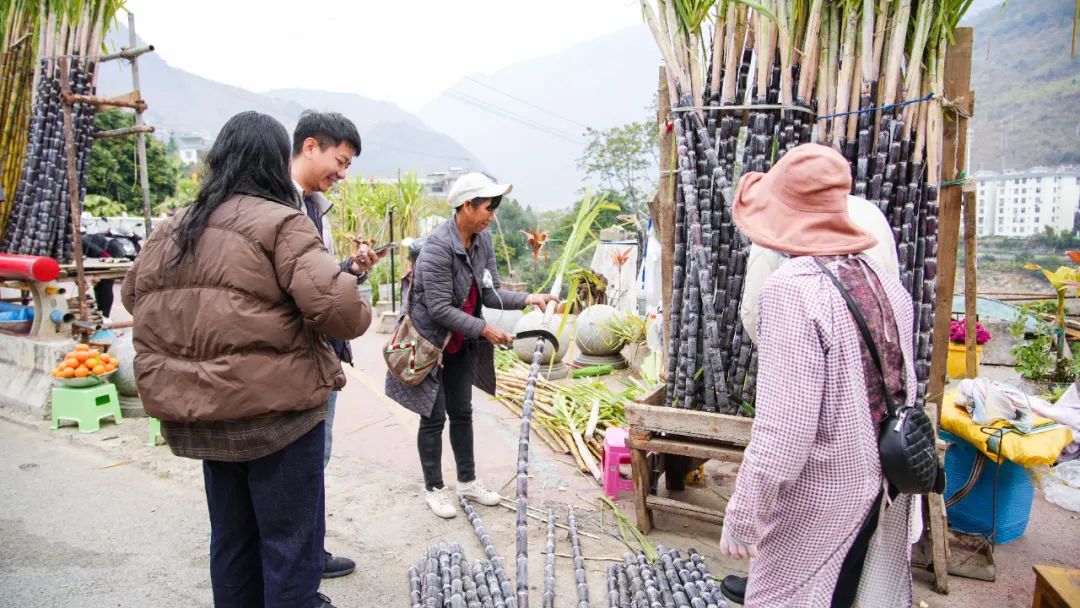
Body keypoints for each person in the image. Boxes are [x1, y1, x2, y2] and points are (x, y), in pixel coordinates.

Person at [121, 111, 371, 608]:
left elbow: (134, 296)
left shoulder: (174, 226)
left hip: (207, 418)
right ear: (273, 161)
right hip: (276, 421)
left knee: (232, 543)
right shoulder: (281, 222)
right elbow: (345, 315)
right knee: (288, 548)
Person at [719, 144, 918, 608]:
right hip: (879, 484)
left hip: (823, 495)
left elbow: (783, 434)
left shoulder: (793, 290)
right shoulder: (880, 281)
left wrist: (743, 516)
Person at [385, 172, 559, 519]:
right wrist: (486, 330)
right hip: (430, 345)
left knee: (462, 412)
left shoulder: (482, 242)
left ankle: (467, 481)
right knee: (432, 417)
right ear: (467, 205)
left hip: (461, 345)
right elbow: (438, 309)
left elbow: (491, 293)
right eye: (488, 208)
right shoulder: (437, 247)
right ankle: (434, 488)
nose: (491, 215)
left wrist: (529, 298)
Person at [289, 110, 384, 579]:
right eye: (339, 162)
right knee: (299, 461)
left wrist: (350, 269)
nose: (342, 174)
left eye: (347, 167)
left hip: (321, 353)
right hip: (294, 356)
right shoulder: (279, 208)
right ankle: (301, 559)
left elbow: (316, 279)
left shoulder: (315, 210)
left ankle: (310, 551)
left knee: (316, 457)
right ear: (310, 147)